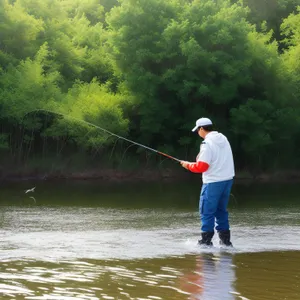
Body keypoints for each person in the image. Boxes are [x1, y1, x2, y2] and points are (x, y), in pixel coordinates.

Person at [180, 117, 235, 247]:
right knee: (221, 211)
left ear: (201, 129)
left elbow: (201, 167)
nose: (198, 133)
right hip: (227, 180)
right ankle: (226, 242)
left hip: (212, 182)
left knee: (206, 211)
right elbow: (212, 160)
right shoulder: (223, 138)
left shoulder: (207, 143)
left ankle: (205, 242)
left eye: (198, 130)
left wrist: (187, 165)